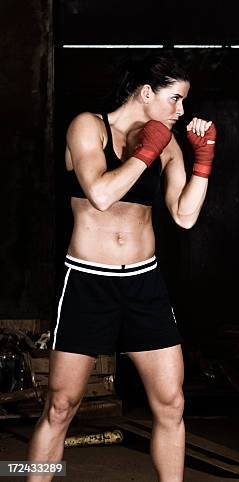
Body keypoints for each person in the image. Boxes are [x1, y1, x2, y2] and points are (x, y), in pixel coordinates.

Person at [27, 52, 216, 481]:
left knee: (171, 403)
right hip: (88, 281)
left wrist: (202, 162)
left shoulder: (166, 143)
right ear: (147, 93)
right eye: (175, 99)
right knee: (60, 406)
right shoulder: (88, 127)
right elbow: (100, 194)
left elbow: (184, 216)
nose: (181, 111)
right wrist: (146, 151)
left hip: (143, 283)